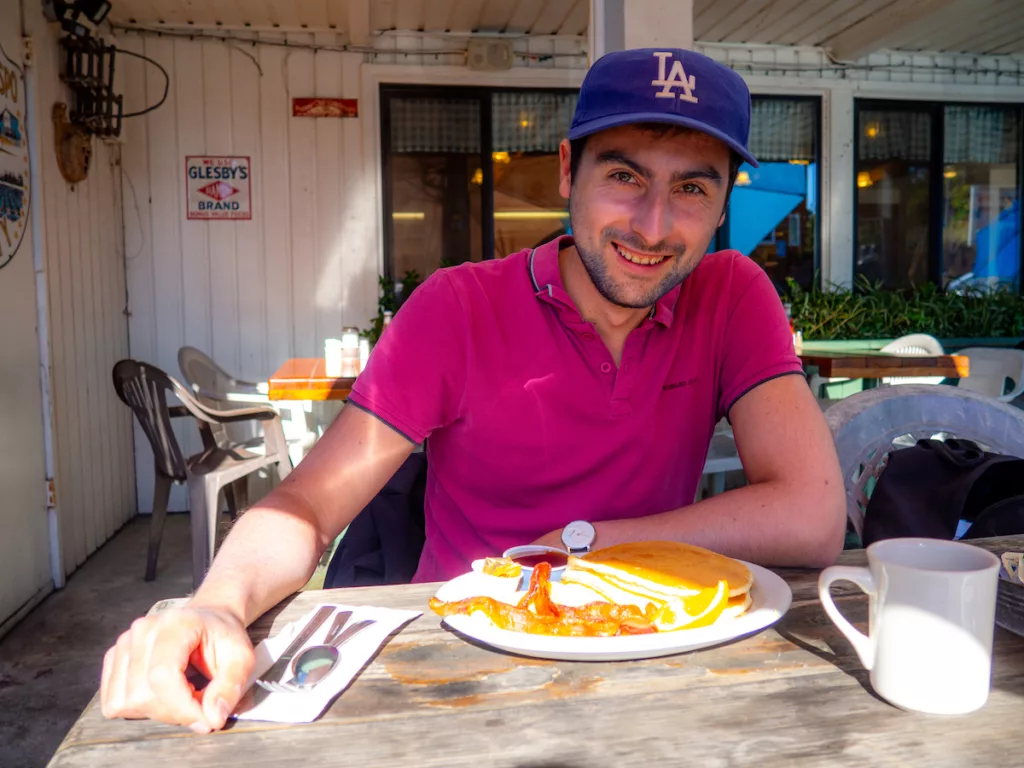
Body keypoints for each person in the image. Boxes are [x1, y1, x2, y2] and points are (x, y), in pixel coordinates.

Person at [100, 48, 845, 732]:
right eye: (624, 176)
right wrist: (215, 604)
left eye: (690, 188)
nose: (652, 226)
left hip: (661, 654)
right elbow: (304, 506)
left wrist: (583, 549)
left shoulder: (732, 294)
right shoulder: (457, 308)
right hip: (464, 661)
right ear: (566, 172)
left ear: (721, 207)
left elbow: (812, 515)